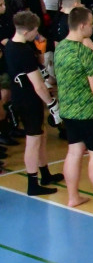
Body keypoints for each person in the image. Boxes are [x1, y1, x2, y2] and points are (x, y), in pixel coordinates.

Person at [55, 6, 93, 210]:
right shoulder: (85, 53)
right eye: (90, 24)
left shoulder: (60, 48)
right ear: (81, 26)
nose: (92, 28)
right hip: (88, 112)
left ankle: (73, 196)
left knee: (74, 151)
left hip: (68, 111)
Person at [6, 12, 61, 195]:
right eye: (35, 31)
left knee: (40, 136)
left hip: (21, 97)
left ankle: (45, 173)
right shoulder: (23, 51)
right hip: (28, 99)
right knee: (33, 140)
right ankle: (32, 182)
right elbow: (38, 85)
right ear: (29, 30)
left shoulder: (12, 46)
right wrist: (52, 104)